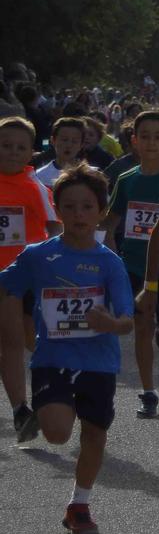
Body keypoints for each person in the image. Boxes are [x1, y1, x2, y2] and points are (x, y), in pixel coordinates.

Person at [0, 166, 134, 534]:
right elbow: (6, 283)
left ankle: (80, 505)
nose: (78, 214)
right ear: (57, 209)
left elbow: (127, 320)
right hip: (53, 360)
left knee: (94, 434)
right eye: (70, 207)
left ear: (100, 212)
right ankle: (57, 405)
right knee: (58, 433)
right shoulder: (38, 256)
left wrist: (111, 323)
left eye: (87, 207)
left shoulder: (110, 263)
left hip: (99, 362)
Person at [109, 109, 159, 419]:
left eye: (158, 137)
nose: (151, 142)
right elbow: (110, 220)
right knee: (142, 327)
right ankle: (149, 391)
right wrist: (114, 258)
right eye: (145, 136)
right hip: (137, 267)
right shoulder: (126, 179)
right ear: (134, 141)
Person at [0, 116, 59, 442]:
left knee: (31, 340)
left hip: (32, 277)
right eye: (5, 146)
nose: (12, 152)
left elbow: (55, 228)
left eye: (20, 147)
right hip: (3, 280)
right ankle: (20, 409)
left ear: (31, 152)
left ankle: (56, 386)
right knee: (9, 342)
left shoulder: (34, 187)